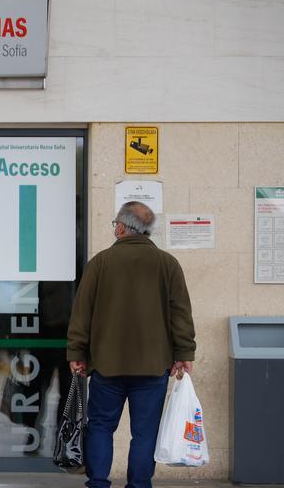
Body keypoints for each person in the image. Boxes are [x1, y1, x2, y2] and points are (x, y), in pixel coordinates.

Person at [67, 201, 196, 488]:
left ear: (122, 227)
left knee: (100, 427)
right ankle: (139, 485)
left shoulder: (100, 263)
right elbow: (181, 314)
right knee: (145, 432)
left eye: (115, 224)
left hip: (106, 365)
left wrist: (77, 352)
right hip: (153, 366)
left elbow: (82, 313)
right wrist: (184, 353)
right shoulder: (167, 264)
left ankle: (98, 482)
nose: (115, 228)